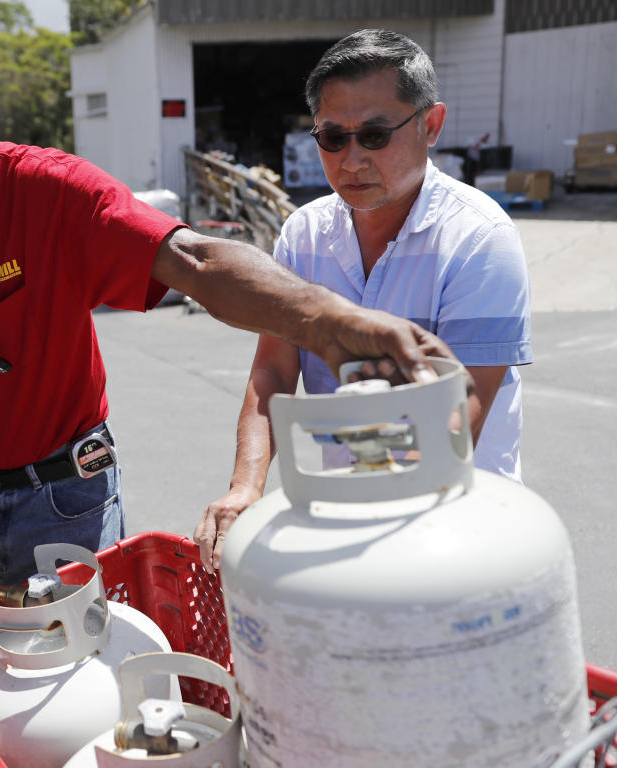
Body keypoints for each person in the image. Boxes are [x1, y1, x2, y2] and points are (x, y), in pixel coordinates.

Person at [0, 39, 453, 619]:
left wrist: (325, 318)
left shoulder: (43, 191)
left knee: (84, 676)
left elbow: (196, 261)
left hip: (64, 495)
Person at [195, 29, 532, 573]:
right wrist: (243, 487)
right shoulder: (302, 235)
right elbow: (273, 374)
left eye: (374, 135)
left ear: (431, 125)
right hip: (339, 519)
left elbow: (459, 412)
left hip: (456, 531)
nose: (350, 161)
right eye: (332, 137)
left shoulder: (479, 238)